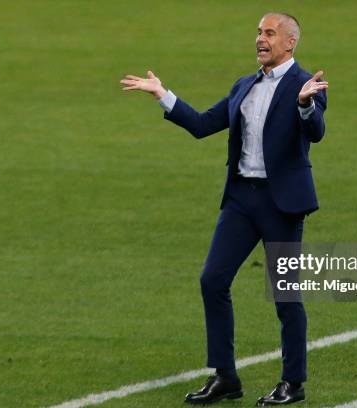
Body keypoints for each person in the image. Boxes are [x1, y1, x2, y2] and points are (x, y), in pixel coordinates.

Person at [120, 12, 328, 406]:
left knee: (285, 294)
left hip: (281, 205)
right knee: (212, 280)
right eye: (258, 32)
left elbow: (315, 130)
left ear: (290, 43)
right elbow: (202, 125)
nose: (260, 39)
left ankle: (293, 383)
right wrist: (161, 94)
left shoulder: (307, 84)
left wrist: (304, 105)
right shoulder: (244, 85)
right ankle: (225, 377)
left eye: (269, 33)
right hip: (241, 200)